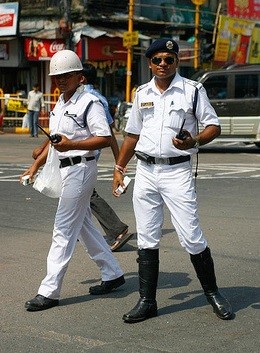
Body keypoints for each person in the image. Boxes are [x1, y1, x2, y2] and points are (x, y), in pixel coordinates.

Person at [112, 38, 233, 323]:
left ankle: (213, 292)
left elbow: (213, 126)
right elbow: (132, 135)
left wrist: (195, 140)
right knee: (147, 237)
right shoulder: (141, 93)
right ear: (150, 63)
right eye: (157, 60)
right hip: (145, 172)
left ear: (177, 61)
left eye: (169, 59)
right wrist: (119, 166)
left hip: (177, 172)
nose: (163, 64)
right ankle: (147, 301)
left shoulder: (192, 90)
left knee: (191, 235)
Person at [21, 49, 125, 311]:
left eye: (66, 75)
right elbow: (56, 139)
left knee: (63, 229)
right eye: (57, 77)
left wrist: (75, 146)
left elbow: (104, 137)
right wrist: (35, 165)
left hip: (81, 168)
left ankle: (49, 291)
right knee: (82, 226)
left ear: (79, 76)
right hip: (64, 168)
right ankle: (112, 273)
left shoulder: (90, 102)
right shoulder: (61, 103)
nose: (61, 81)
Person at [82, 64, 133, 251]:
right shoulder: (100, 98)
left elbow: (107, 134)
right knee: (80, 192)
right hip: (88, 152)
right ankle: (82, 230)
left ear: (82, 78)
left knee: (84, 192)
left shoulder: (87, 98)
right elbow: (110, 133)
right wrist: (118, 162)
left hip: (82, 152)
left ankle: (116, 228)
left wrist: (119, 164)